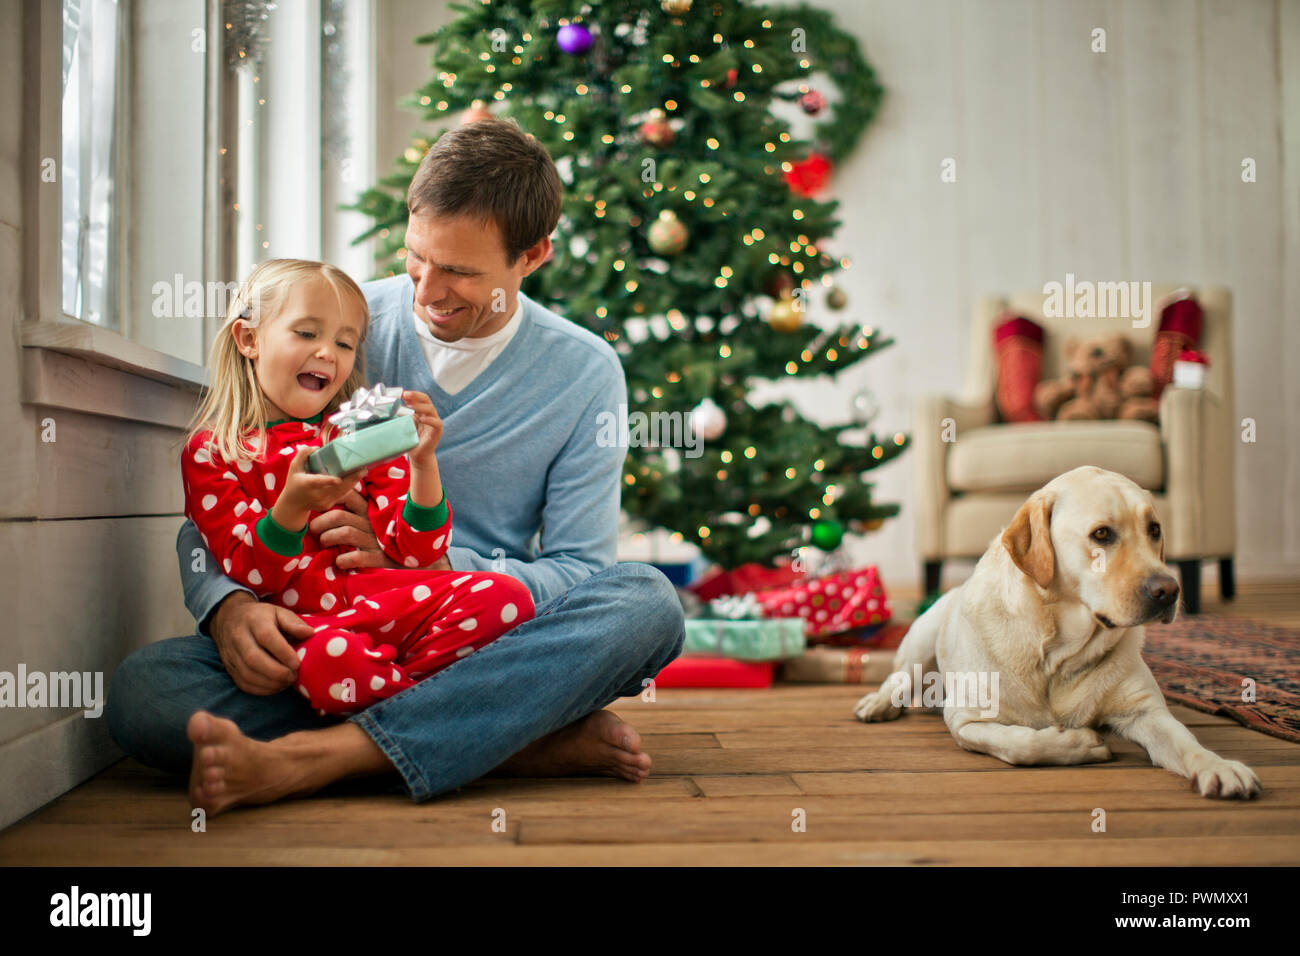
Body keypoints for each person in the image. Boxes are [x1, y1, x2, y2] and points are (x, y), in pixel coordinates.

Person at [105, 117, 685, 815]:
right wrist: (228, 606)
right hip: (329, 629)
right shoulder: (339, 324)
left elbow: (579, 568)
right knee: (147, 692)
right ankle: (511, 737)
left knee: (646, 603)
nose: (424, 293)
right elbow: (225, 489)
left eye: (459, 272)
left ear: (532, 256)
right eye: (417, 258)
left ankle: (325, 756)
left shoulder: (585, 373)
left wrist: (432, 570)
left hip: (472, 629)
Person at [180, 257, 534, 717]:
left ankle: (394, 720)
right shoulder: (213, 452)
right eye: (307, 334)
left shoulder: (357, 436)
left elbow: (417, 551)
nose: (328, 352)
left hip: (389, 607)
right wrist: (292, 507)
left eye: (345, 343)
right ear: (249, 339)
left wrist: (422, 463)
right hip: (312, 632)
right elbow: (249, 575)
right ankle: (444, 725)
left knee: (505, 596)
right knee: (327, 662)